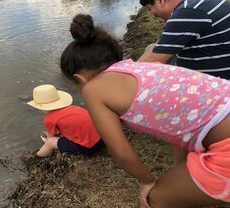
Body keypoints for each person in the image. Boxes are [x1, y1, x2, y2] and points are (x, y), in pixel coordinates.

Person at [60, 14, 230, 208]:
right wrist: (179, 173)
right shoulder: (142, 68)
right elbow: (180, 128)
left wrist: (146, 181)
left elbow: (121, 152)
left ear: (79, 79)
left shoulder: (92, 89)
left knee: (154, 200)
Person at [138, 0, 230, 80]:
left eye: (151, 8)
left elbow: (145, 65)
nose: (153, 14)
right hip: (219, 68)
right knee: (152, 48)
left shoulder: (188, 11)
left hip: (216, 87)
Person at [27, 84, 103, 157]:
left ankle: (37, 157)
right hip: (103, 139)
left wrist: (48, 139)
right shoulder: (73, 108)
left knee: (50, 142)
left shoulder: (49, 119)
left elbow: (51, 137)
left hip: (89, 147)